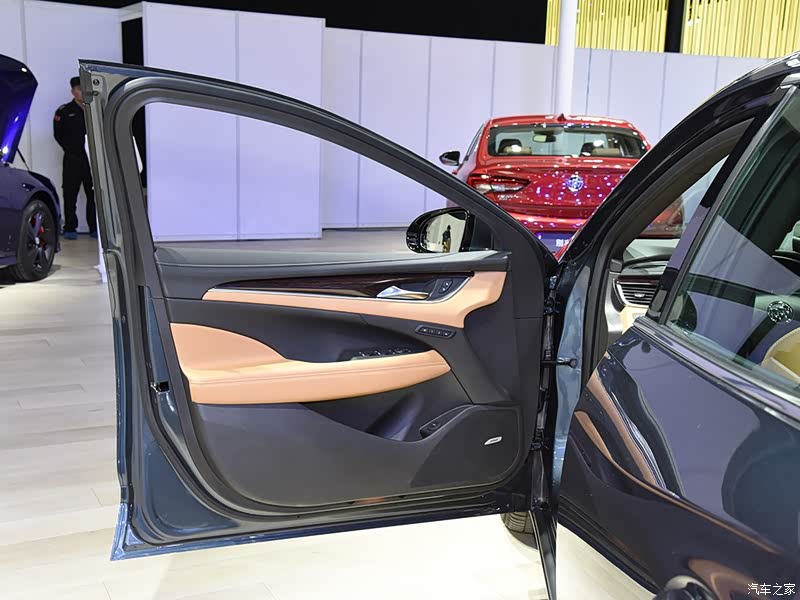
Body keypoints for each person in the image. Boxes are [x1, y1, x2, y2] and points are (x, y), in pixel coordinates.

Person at [53, 76, 96, 240]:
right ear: (73, 91)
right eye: (78, 89)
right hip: (72, 158)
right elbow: (58, 134)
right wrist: (71, 148)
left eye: (83, 88)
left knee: (93, 194)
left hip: (91, 159)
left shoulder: (94, 109)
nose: (81, 92)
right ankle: (70, 227)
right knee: (70, 194)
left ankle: (94, 228)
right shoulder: (64, 111)